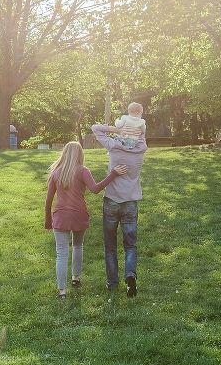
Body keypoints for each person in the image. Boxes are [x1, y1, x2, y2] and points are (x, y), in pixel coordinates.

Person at [45, 141, 128, 299]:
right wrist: (113, 174)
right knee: (77, 246)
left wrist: (48, 221)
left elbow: (48, 200)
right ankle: (75, 279)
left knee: (61, 254)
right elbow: (95, 189)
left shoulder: (57, 172)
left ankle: (62, 291)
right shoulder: (83, 170)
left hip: (61, 217)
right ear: (80, 154)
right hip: (79, 215)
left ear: (64, 153)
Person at [92, 118, 147, 297]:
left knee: (110, 246)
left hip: (111, 201)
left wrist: (118, 129)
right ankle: (130, 275)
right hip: (130, 202)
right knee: (130, 245)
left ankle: (112, 284)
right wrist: (134, 129)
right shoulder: (141, 148)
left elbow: (96, 129)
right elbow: (142, 130)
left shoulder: (114, 146)